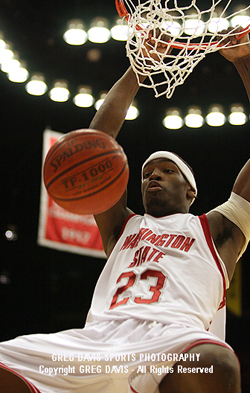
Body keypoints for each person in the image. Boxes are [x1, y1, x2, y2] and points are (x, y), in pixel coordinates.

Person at [0, 27, 250, 393]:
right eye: (147, 173)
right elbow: (94, 147)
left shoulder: (218, 229)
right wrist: (138, 69)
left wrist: (245, 61)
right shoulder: (123, 227)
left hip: (172, 343)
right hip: (97, 343)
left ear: (191, 190)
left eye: (167, 171)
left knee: (218, 362)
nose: (154, 177)